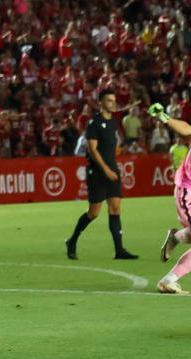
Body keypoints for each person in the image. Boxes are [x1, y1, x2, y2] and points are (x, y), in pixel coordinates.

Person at [66, 90, 137, 260]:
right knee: (94, 212)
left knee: (115, 208)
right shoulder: (94, 124)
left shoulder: (113, 122)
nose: (112, 103)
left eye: (113, 100)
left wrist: (112, 168)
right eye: (109, 100)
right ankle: (72, 240)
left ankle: (119, 250)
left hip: (112, 169)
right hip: (98, 172)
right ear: (101, 103)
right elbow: (92, 149)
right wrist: (106, 170)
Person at [152, 104, 191, 294]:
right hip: (188, 192)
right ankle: (168, 280)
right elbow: (186, 129)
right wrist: (164, 117)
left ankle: (176, 237)